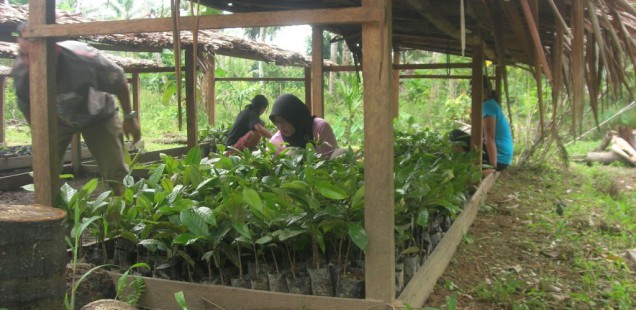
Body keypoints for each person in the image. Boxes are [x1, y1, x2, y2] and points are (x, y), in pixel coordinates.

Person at [12, 31, 141, 194]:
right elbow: (29, 110)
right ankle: (52, 211)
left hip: (99, 115)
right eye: (22, 54)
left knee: (115, 170)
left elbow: (119, 81)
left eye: (32, 55)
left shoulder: (84, 59)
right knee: (45, 171)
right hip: (56, 120)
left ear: (55, 51)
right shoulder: (22, 72)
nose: (26, 62)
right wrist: (41, 139)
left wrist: (129, 117)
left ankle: (123, 210)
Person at [268, 94, 338, 157]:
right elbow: (266, 157)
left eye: (284, 121)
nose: (280, 126)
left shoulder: (319, 127)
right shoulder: (278, 139)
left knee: (341, 152)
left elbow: (327, 160)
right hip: (295, 171)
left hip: (324, 170)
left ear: (295, 117)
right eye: (277, 122)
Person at [481, 77, 513, 174]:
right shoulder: (490, 104)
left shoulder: (488, 106)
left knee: (455, 135)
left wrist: (493, 166)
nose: (472, 94)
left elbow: (490, 137)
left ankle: (486, 169)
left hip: (500, 159)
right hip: (504, 157)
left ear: (485, 91)